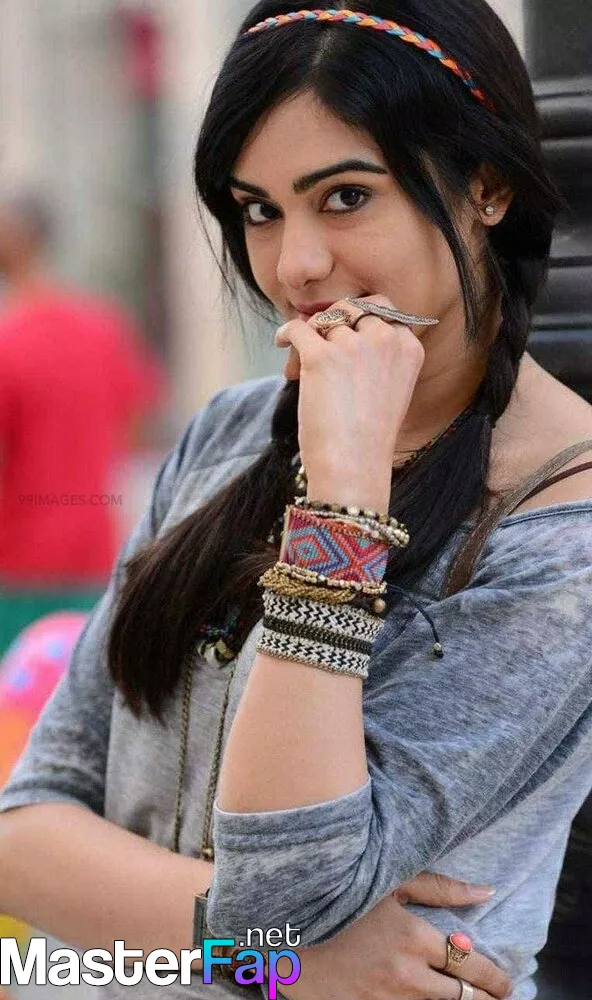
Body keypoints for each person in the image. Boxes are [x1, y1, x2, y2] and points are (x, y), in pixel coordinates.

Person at [0, 2, 591, 999]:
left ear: (486, 187)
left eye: (345, 197)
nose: (294, 265)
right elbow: (24, 829)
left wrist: (344, 501)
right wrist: (273, 957)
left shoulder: (561, 532)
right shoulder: (233, 433)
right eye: (260, 210)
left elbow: (281, 889)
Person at [0, 188, 167, 656]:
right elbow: (137, 428)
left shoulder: (8, 341)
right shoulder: (103, 327)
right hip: (95, 559)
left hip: (16, 573)